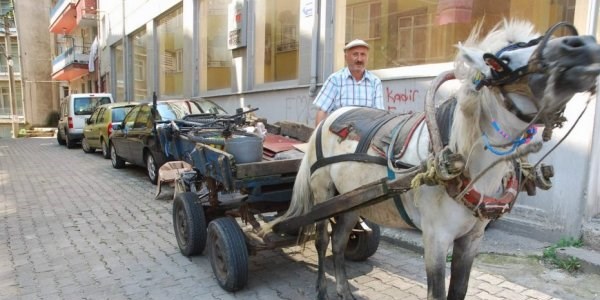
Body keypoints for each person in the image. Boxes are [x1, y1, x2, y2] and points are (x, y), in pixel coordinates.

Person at [313, 39, 384, 126]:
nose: (359, 59)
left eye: (363, 54)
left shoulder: (375, 82)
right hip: (338, 136)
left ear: (367, 57)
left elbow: (380, 116)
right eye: (355, 54)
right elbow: (322, 111)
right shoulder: (335, 80)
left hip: (365, 136)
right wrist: (319, 138)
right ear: (346, 57)